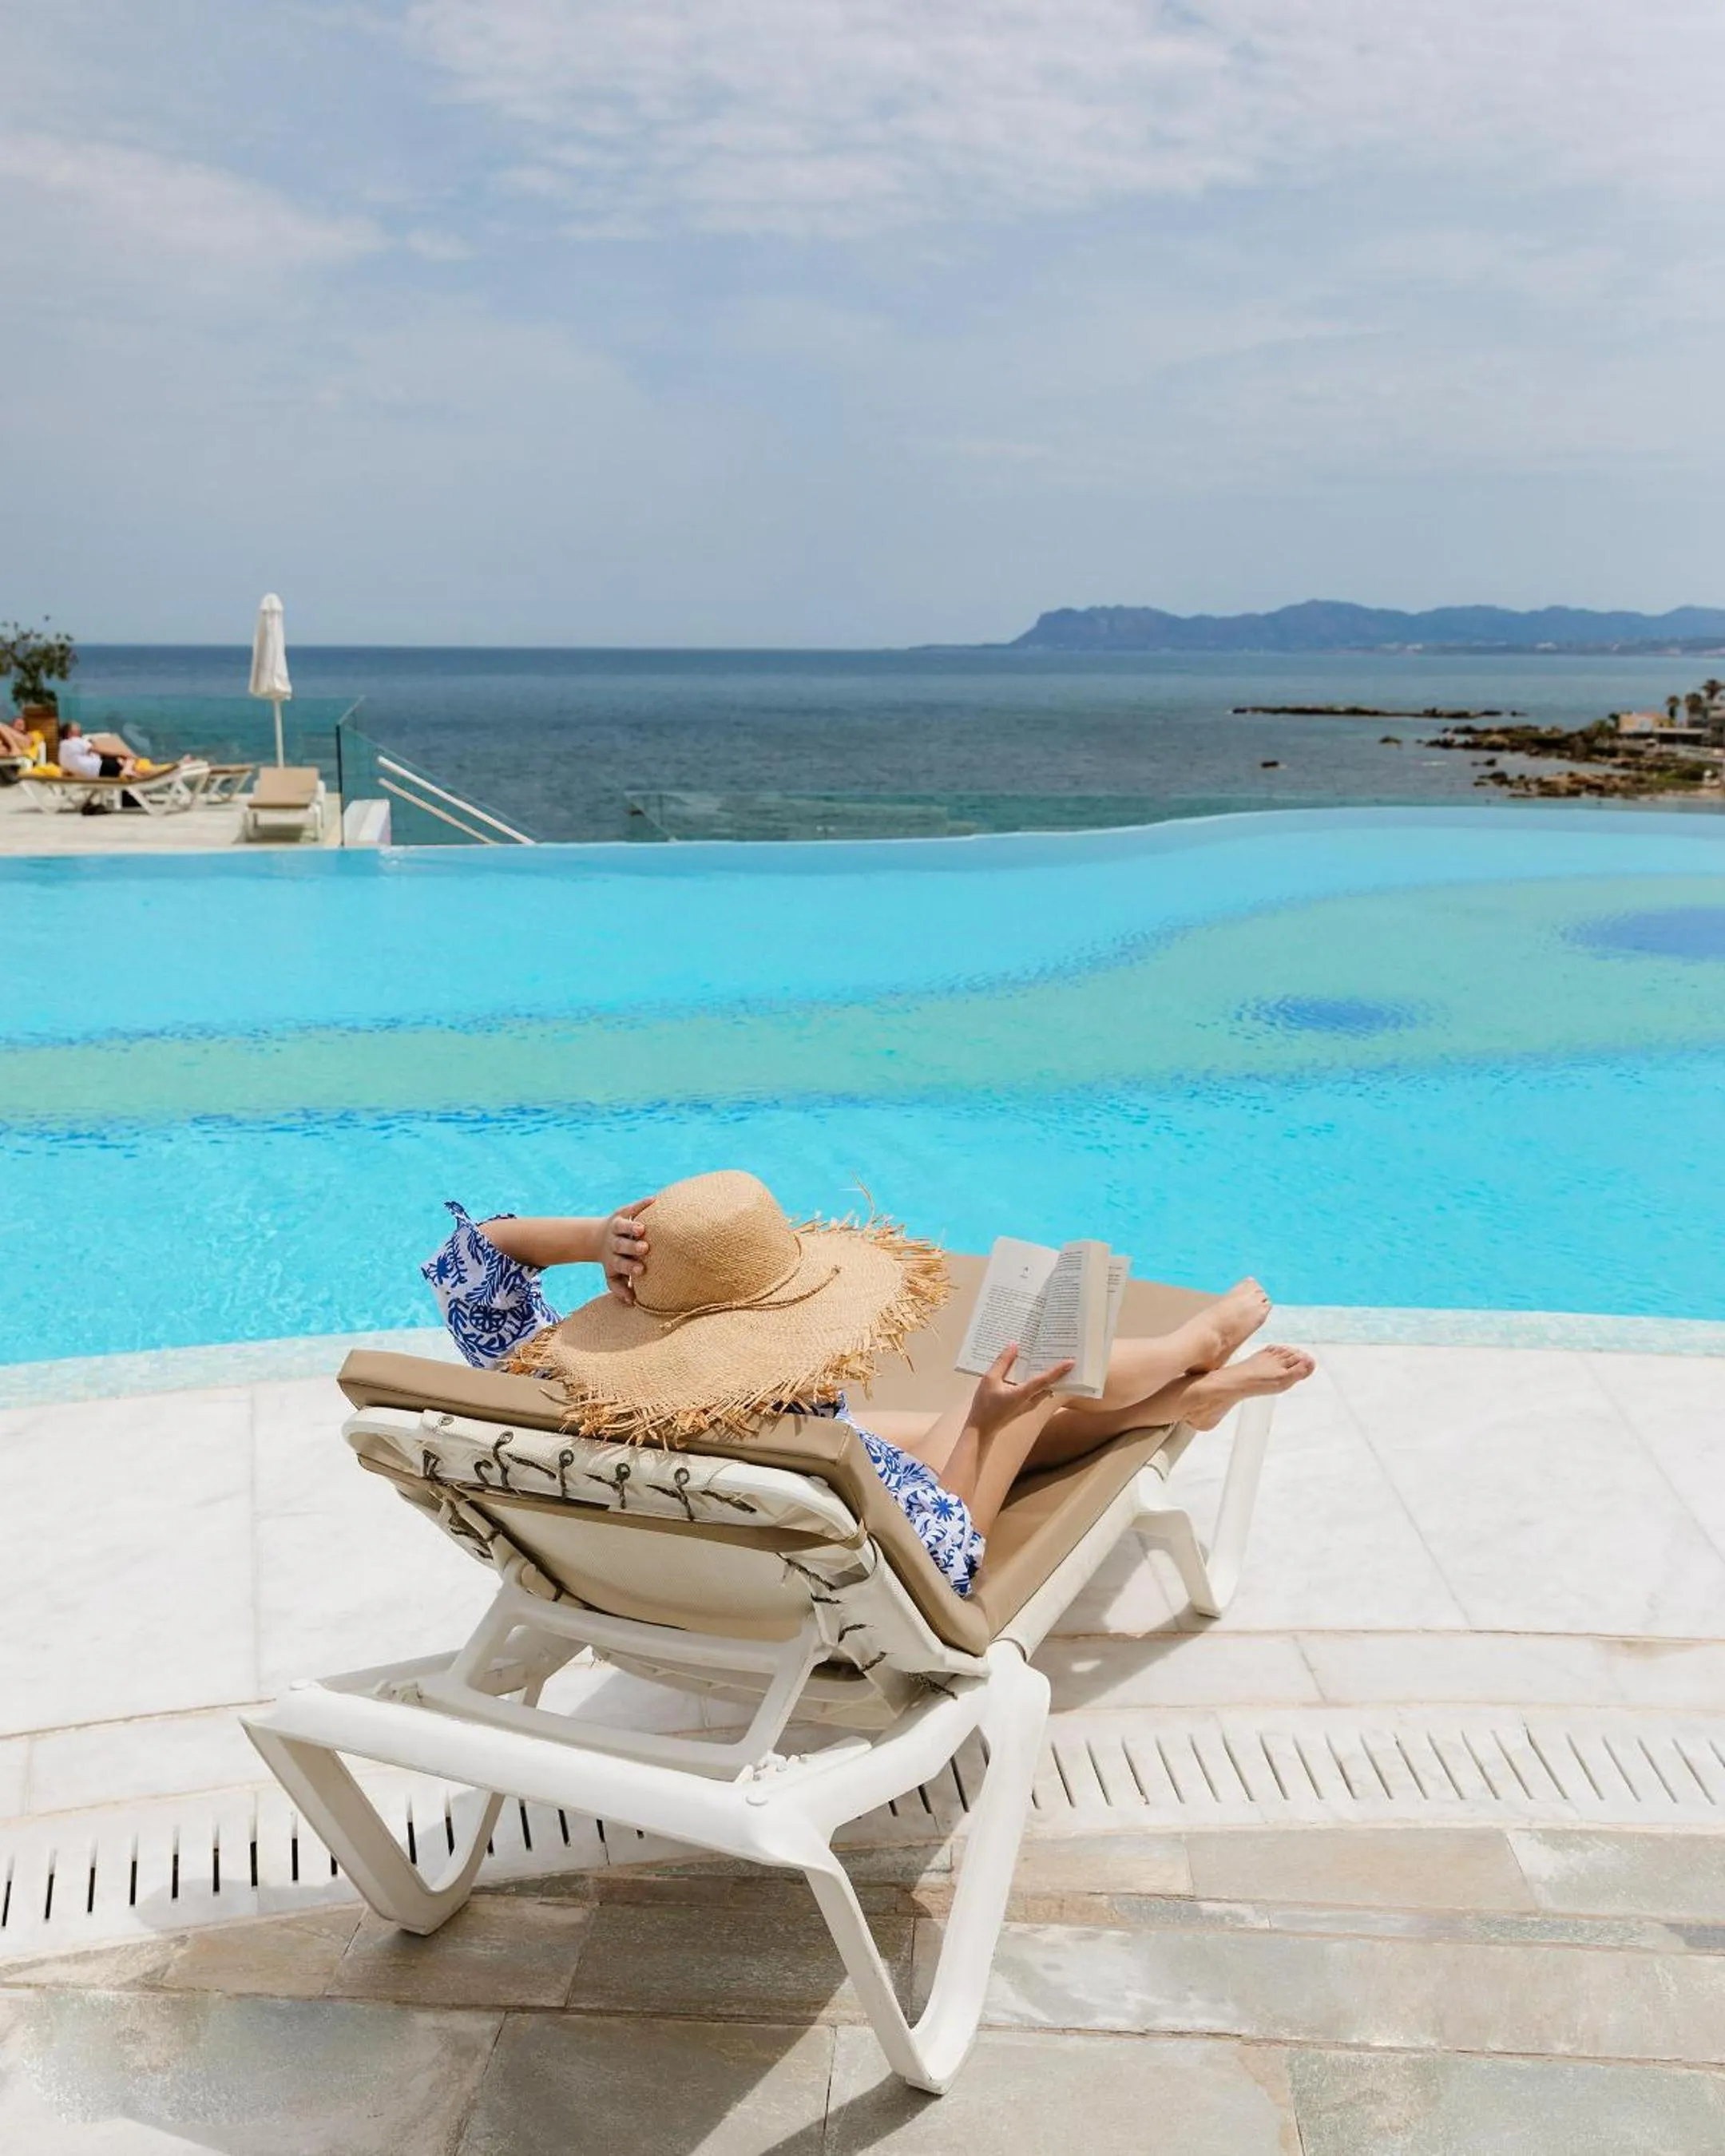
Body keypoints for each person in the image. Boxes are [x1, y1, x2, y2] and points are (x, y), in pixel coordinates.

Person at [422, 1171, 1314, 1599]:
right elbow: (939, 1561)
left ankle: (1172, 1398)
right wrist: (993, 1431)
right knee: (1026, 1387)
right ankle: (1190, 1352)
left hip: (674, 1573)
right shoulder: (799, 1450)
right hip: (833, 1570)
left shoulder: (540, 1384)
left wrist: (592, 1238)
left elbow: (474, 1259)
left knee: (975, 1400)